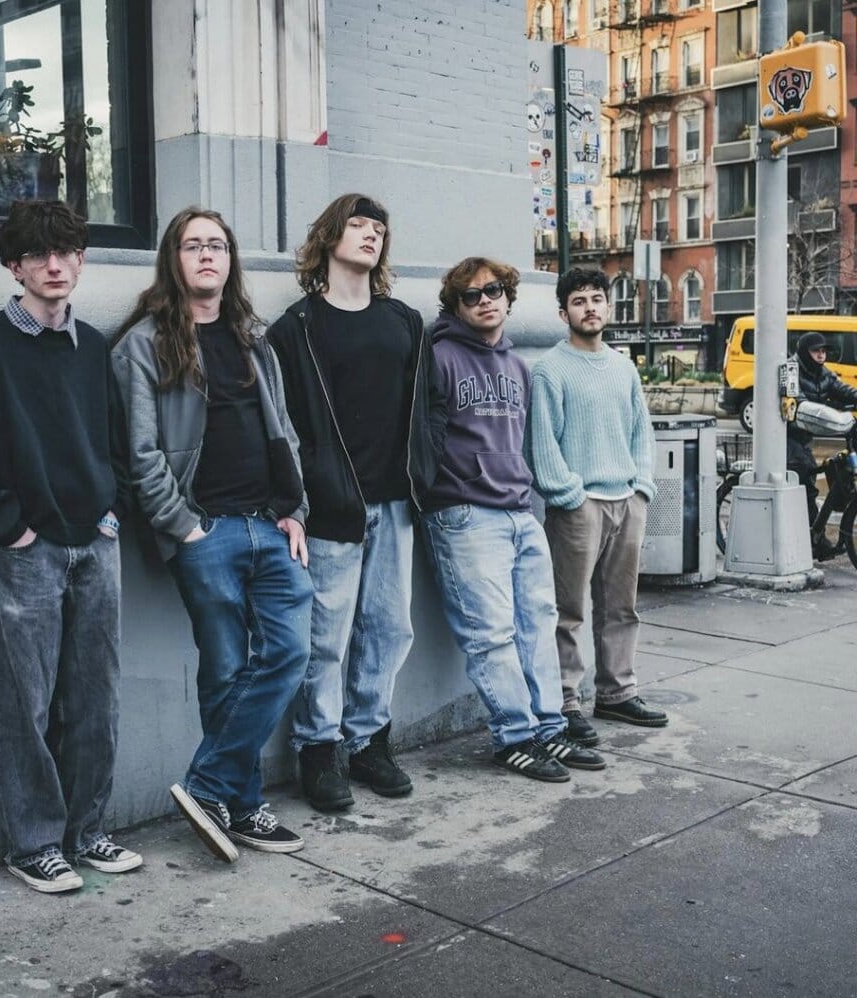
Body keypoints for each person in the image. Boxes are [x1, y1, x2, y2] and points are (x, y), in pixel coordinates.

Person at [0, 200, 141, 894]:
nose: (55, 266)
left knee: (96, 697)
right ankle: (35, 843)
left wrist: (111, 515)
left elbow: (118, 442)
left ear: (80, 260)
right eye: (38, 255)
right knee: (27, 701)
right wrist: (11, 530)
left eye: (67, 252)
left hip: (95, 546)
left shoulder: (94, 347)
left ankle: (86, 832)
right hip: (27, 552)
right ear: (13, 265)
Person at [111, 207, 312, 861]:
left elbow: (283, 429)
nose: (206, 255)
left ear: (230, 260)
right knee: (225, 670)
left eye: (217, 245)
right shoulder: (143, 343)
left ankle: (208, 784)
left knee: (288, 653)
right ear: (174, 258)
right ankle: (245, 806)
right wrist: (184, 529)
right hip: (208, 532)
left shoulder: (253, 337)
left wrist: (296, 509)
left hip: (270, 526)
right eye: (193, 245)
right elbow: (140, 451)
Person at [267, 193, 447, 811]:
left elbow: (427, 408)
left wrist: (425, 466)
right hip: (330, 508)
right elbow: (283, 422)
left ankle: (370, 741)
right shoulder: (297, 327)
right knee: (326, 636)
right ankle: (320, 749)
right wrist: (302, 492)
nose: (371, 235)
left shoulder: (403, 321)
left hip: (395, 502)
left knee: (389, 628)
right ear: (329, 237)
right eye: (358, 224)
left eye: (380, 228)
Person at [420, 258, 605, 781]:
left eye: (494, 291)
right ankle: (513, 736)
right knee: (491, 634)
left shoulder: (517, 366)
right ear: (456, 307)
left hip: (519, 512)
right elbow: (424, 440)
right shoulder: (440, 359)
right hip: (464, 513)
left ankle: (549, 728)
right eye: (472, 295)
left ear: (509, 297)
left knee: (538, 626)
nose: (485, 300)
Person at [526, 266, 668, 747]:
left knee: (621, 606)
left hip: (626, 501)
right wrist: (569, 495)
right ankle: (565, 701)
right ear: (563, 310)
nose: (590, 307)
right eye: (579, 300)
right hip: (578, 506)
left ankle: (616, 692)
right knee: (568, 609)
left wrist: (641, 488)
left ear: (609, 307)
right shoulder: (549, 368)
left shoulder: (624, 366)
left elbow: (640, 433)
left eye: (597, 299)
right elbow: (542, 443)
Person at [787, 331, 857, 539]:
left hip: (805, 435)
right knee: (806, 481)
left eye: (823, 350)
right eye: (815, 351)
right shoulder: (792, 371)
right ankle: (813, 537)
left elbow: (842, 389)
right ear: (804, 352)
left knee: (836, 466)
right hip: (788, 436)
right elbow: (799, 402)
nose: (821, 355)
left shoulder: (823, 373)